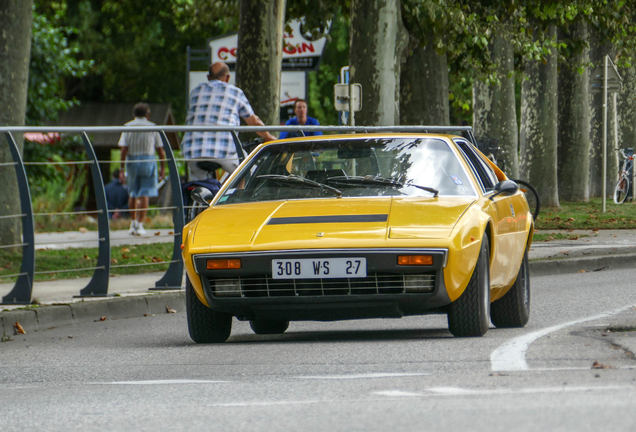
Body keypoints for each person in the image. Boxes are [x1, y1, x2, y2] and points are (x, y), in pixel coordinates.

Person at [182, 61, 276, 180]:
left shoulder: (195, 91)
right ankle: (238, 196)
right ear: (228, 77)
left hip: (193, 150)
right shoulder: (235, 92)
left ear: (208, 77)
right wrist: (268, 137)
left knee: (198, 183)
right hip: (223, 150)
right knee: (249, 173)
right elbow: (254, 122)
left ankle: (197, 196)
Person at [118, 102, 166, 236]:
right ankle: (140, 224)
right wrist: (163, 167)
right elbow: (160, 150)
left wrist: (121, 168)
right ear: (148, 114)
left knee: (132, 192)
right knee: (145, 193)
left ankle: (132, 223)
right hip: (148, 160)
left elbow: (123, 149)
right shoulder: (153, 127)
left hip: (132, 161)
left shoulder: (127, 126)